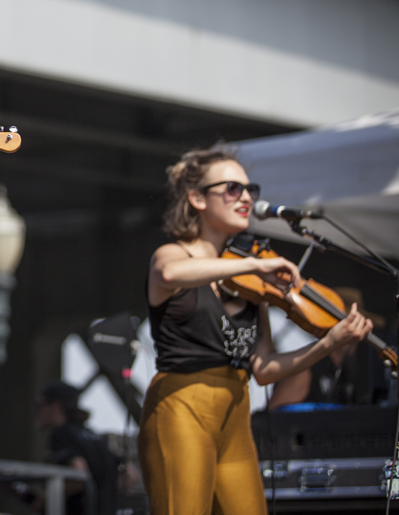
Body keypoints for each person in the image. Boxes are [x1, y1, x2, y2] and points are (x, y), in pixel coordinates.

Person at [139, 146, 373, 515]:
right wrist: (249, 265)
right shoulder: (173, 254)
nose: (246, 197)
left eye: (250, 189)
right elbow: (169, 275)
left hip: (235, 412)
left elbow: (263, 368)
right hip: (181, 404)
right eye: (232, 188)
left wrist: (329, 343)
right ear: (198, 199)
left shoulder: (250, 281)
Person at [37, 381, 119, 515]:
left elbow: (79, 476)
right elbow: (130, 475)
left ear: (56, 407)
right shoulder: (94, 436)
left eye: (40, 405)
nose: (38, 411)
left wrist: (47, 498)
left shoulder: (61, 434)